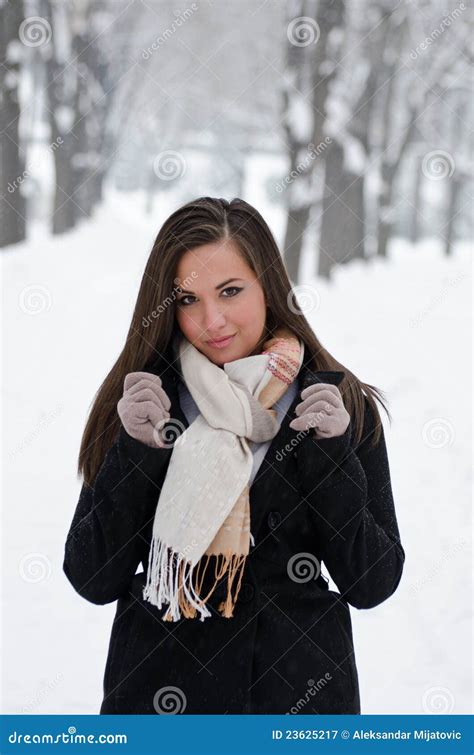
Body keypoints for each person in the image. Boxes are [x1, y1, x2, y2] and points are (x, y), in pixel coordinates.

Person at [63, 196, 405, 715]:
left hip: (298, 707)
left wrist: (331, 456)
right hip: (160, 709)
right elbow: (92, 575)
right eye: (187, 299)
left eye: (230, 291)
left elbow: (373, 581)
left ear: (269, 284)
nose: (211, 320)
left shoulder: (336, 403)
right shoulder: (146, 401)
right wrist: (137, 452)